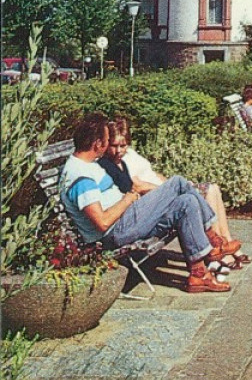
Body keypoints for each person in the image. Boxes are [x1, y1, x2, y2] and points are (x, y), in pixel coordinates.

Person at [60, 113, 232, 293]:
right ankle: (213, 238)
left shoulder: (87, 164)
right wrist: (128, 198)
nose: (108, 142)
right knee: (178, 183)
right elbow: (102, 222)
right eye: (107, 138)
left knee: (186, 202)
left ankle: (199, 275)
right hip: (116, 231)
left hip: (126, 220)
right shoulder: (80, 177)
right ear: (98, 143)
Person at [101, 118, 250, 253]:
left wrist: (168, 188)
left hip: (144, 208)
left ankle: (213, 251)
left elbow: (150, 174)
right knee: (183, 186)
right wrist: (168, 192)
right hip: (135, 217)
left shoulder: (122, 162)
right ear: (106, 143)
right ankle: (213, 240)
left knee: (194, 195)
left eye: (123, 145)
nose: (118, 151)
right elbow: (134, 189)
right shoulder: (107, 165)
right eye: (114, 146)